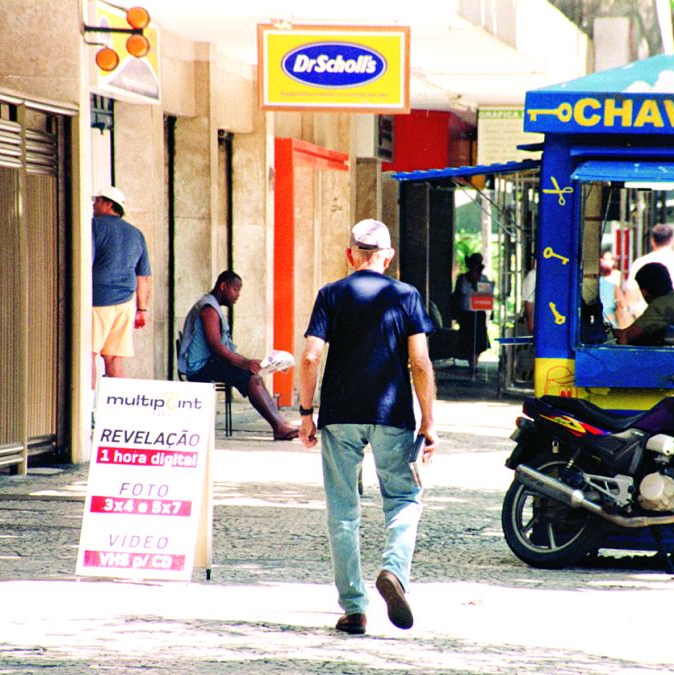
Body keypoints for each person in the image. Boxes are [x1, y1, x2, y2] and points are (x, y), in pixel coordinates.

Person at [298, 218, 437, 635]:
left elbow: (308, 357)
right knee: (404, 499)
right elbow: (420, 363)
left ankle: (354, 608)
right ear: (388, 257)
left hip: (339, 415)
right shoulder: (406, 296)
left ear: (350, 255)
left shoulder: (331, 295)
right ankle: (393, 570)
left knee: (343, 511)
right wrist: (429, 421)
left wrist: (306, 412)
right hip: (392, 414)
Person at [178, 271, 299, 440]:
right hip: (200, 368)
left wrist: (249, 363)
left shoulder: (212, 306)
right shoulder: (208, 309)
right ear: (223, 286)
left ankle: (279, 422)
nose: (238, 295)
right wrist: (244, 363)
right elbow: (216, 347)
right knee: (251, 378)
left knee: (254, 376)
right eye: (235, 289)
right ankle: (278, 425)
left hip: (210, 363)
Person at [91, 185, 151, 388]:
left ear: (108, 204)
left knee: (88, 356)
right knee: (114, 358)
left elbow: (85, 263)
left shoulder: (95, 226)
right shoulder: (136, 234)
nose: (93, 205)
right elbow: (143, 277)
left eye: (97, 201)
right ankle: (115, 412)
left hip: (98, 299)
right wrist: (141, 310)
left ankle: (87, 412)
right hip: (126, 304)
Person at [626, 223, 674, 318]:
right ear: (672, 240)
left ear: (652, 241)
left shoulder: (640, 262)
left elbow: (631, 299)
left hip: (648, 320)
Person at [452, 252, 491, 369]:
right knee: (467, 340)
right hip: (466, 314)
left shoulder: (483, 279)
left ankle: (474, 364)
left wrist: (476, 283)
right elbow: (457, 295)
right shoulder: (462, 279)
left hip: (478, 313)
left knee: (478, 341)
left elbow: (485, 297)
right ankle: (471, 365)